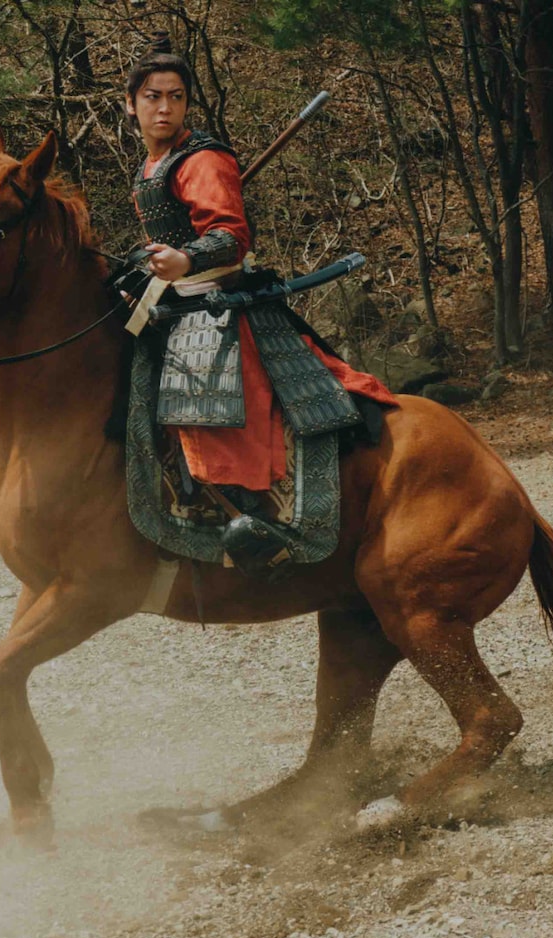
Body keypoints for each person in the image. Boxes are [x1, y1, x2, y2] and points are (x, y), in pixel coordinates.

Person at [123, 44, 394, 573]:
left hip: (217, 308)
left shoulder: (201, 159)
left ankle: (257, 521)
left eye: (175, 98)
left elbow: (229, 235)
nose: (164, 108)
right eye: (152, 97)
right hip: (175, 304)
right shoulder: (151, 167)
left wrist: (186, 257)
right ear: (130, 103)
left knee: (211, 410)